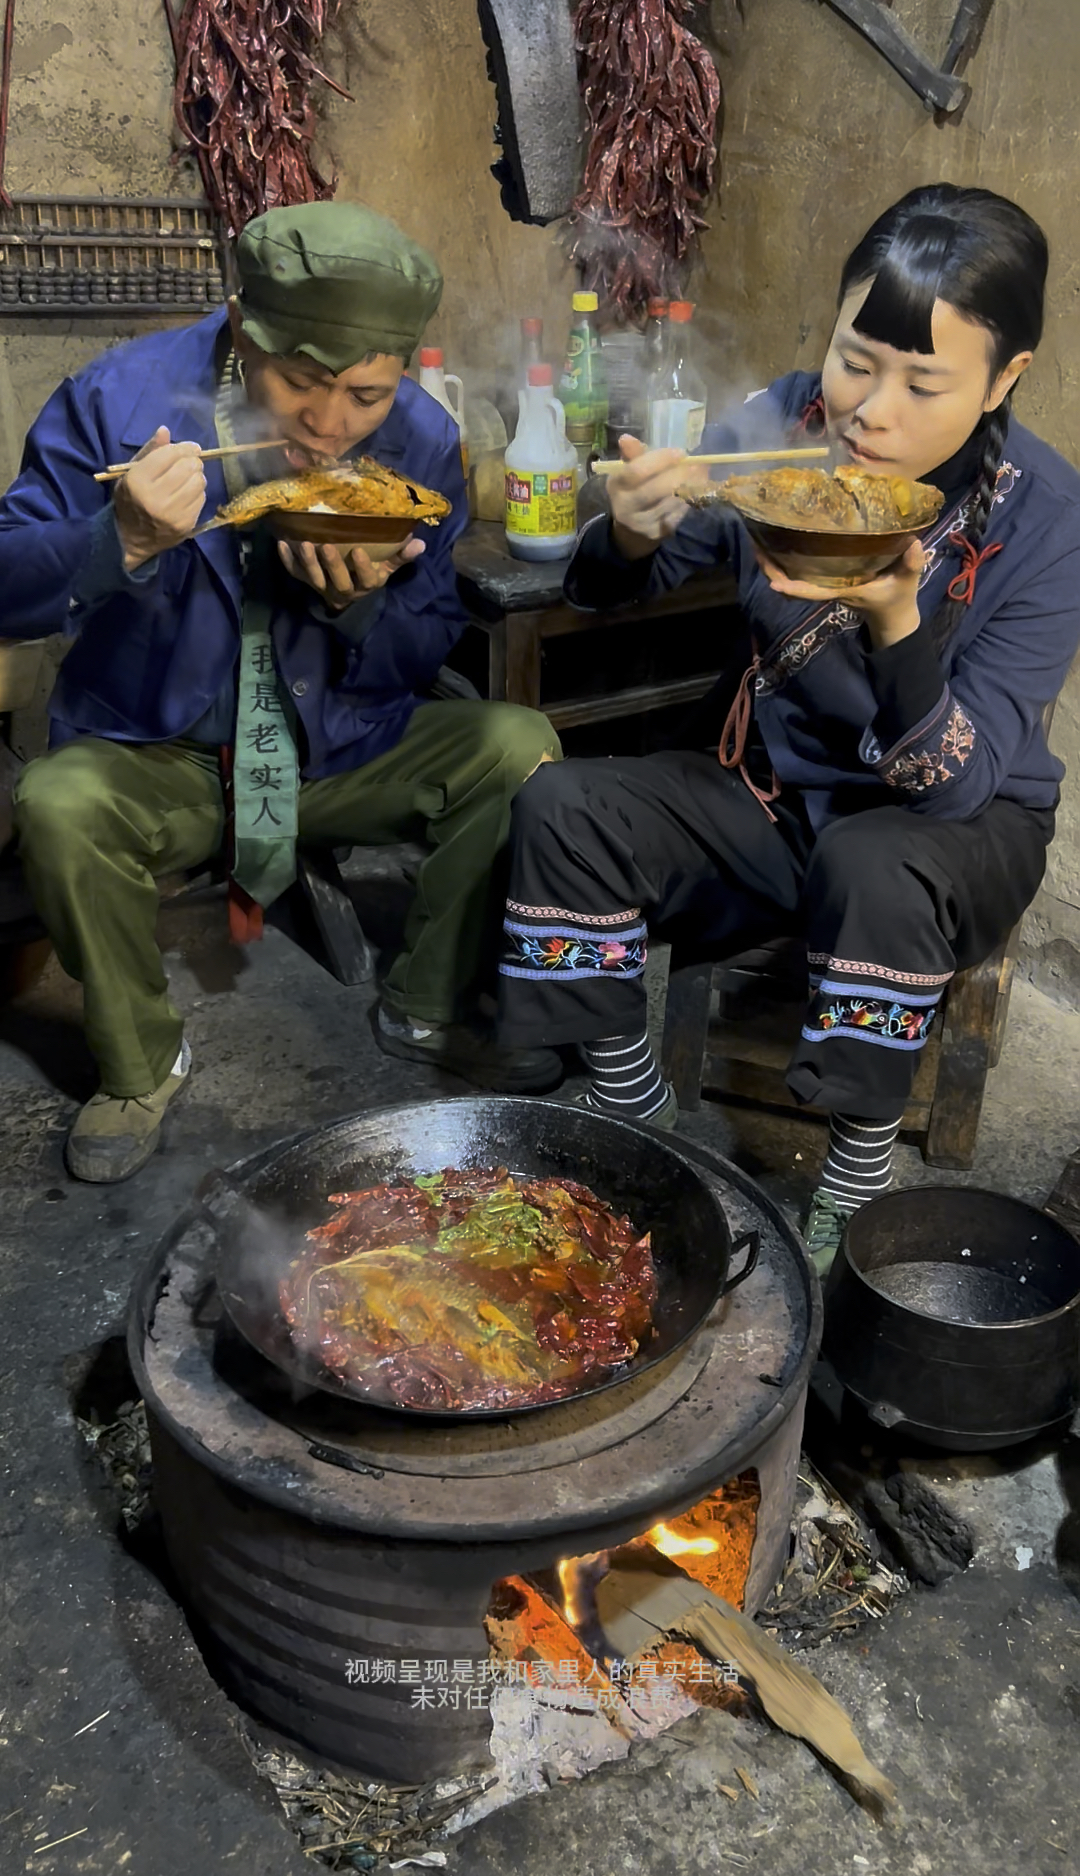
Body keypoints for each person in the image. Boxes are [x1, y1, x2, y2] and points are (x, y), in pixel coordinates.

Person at [498, 184, 1080, 1276]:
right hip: (769, 797)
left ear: (1006, 379)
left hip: (954, 836)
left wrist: (898, 619)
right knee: (563, 802)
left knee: (874, 859)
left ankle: (849, 1193)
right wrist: (627, 530)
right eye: (858, 357)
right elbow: (615, 585)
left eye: (924, 382)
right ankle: (639, 1117)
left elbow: (955, 783)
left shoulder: (1049, 518)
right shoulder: (782, 425)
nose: (871, 410)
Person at [3, 202, 562, 1183]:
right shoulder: (116, 403)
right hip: (157, 753)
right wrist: (117, 541)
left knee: (516, 744)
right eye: (301, 380)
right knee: (55, 803)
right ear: (238, 324)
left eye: (364, 393)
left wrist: (360, 611)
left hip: (336, 748)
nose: (329, 421)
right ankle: (139, 1065)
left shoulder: (421, 444)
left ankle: (426, 1004)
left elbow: (431, 638)